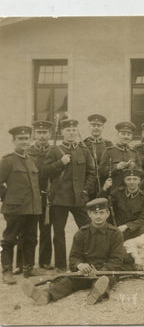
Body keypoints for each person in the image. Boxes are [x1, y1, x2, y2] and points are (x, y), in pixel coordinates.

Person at [20, 198, 124, 305]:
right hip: (84, 272)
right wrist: (80, 265)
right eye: (95, 213)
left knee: (105, 281)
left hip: (104, 272)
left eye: (101, 213)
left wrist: (100, 271)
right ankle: (45, 296)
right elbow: (74, 257)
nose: (98, 216)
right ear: (89, 214)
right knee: (66, 282)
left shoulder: (115, 234)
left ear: (107, 213)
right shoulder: (81, 233)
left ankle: (95, 295)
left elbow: (116, 260)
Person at [44, 118, 96, 272]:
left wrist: (85, 191)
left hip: (79, 198)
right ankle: (61, 265)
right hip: (59, 199)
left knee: (87, 229)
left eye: (74, 130)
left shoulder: (84, 150)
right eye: (68, 130)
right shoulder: (54, 151)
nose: (71, 133)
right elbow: (44, 172)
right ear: (62, 132)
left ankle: (88, 261)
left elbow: (91, 173)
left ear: (77, 132)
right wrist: (60, 163)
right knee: (59, 233)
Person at [0, 126, 41, 283]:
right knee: (9, 239)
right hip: (15, 208)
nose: (24, 142)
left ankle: (28, 269)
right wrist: (8, 198)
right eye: (20, 139)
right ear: (14, 141)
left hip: (32, 208)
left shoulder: (31, 160)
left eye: (26, 139)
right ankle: (7, 271)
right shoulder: (7, 161)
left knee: (31, 238)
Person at [27, 120, 54, 270]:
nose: (42, 136)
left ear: (50, 134)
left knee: (45, 230)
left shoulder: (54, 151)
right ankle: (24, 264)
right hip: (31, 196)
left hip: (47, 196)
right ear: (34, 134)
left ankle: (44, 261)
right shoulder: (28, 152)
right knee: (28, 231)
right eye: (39, 133)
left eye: (45, 133)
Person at [100, 169, 144, 240]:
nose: (132, 182)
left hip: (134, 229)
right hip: (118, 227)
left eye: (134, 179)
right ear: (125, 180)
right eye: (129, 179)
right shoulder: (118, 193)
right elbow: (102, 203)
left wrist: (127, 226)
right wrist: (104, 189)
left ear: (139, 180)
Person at [99, 122, 142, 192]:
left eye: (128, 134)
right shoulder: (109, 151)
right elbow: (101, 172)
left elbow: (141, 173)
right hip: (114, 190)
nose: (126, 136)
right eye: (123, 134)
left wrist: (134, 167)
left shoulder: (134, 153)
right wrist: (116, 167)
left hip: (130, 191)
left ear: (131, 137)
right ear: (117, 135)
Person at [83, 114, 113, 197]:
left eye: (99, 125)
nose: (96, 128)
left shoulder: (108, 144)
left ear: (103, 128)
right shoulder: (83, 144)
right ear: (89, 127)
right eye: (93, 125)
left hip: (104, 183)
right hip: (88, 184)